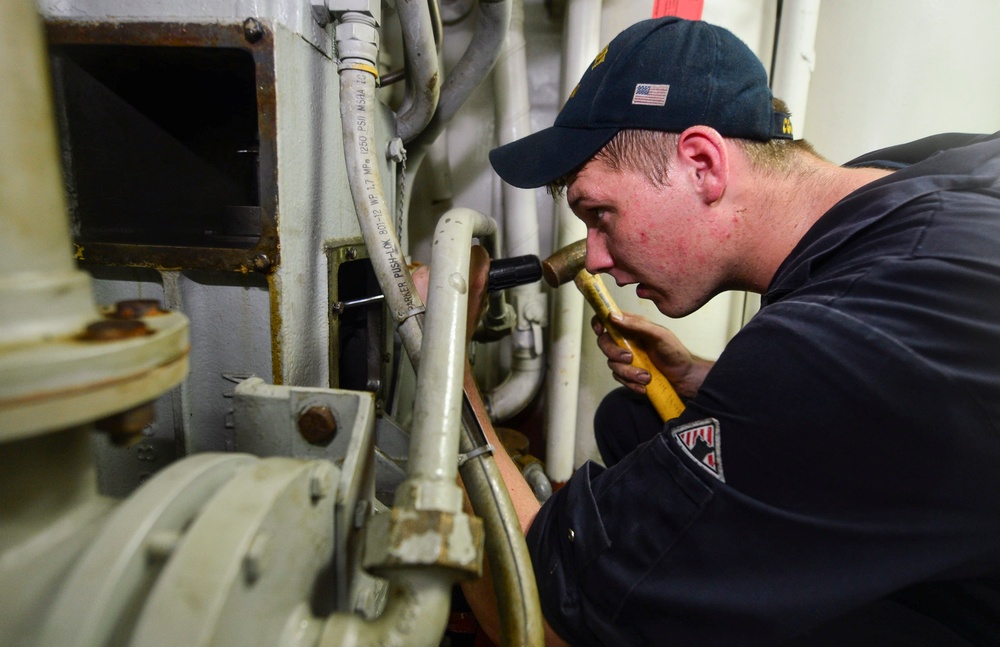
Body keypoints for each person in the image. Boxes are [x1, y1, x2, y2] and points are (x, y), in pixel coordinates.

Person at [472, 15, 1000, 647]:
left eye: (600, 213)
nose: (598, 256)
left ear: (702, 163)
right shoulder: (925, 173)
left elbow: (539, 618)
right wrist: (702, 377)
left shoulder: (834, 335)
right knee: (630, 419)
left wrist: (445, 374)